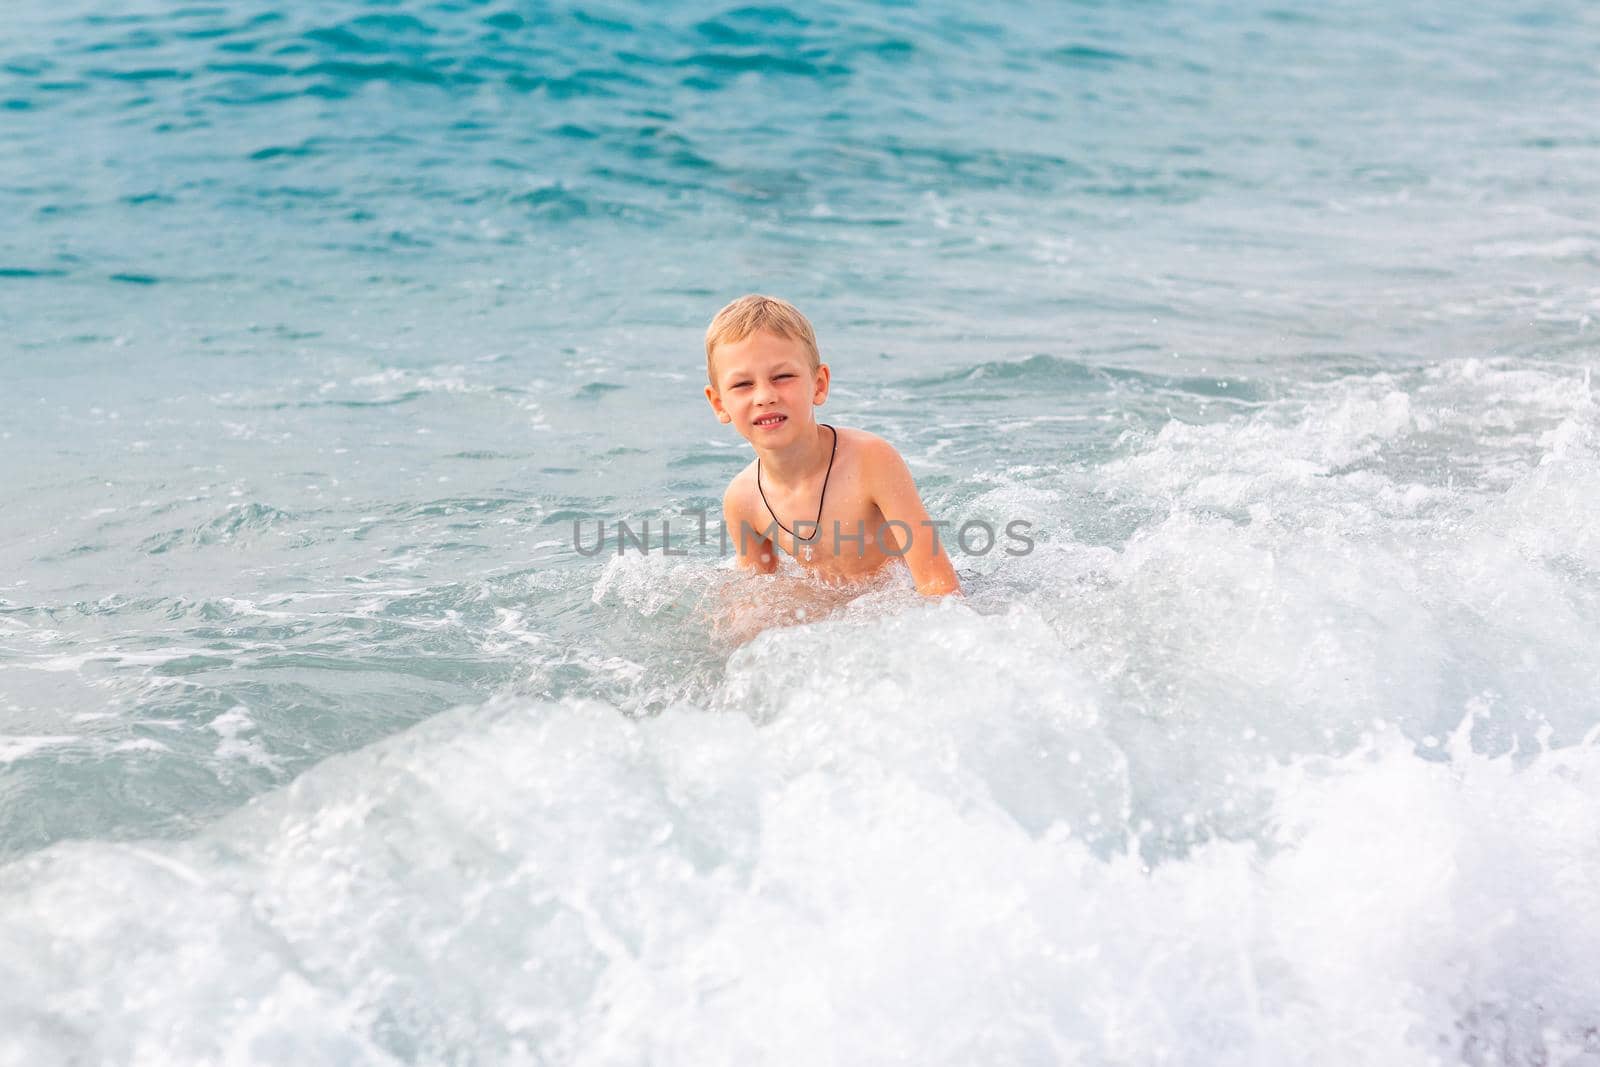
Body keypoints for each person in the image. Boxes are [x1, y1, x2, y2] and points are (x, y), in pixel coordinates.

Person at [704, 294, 962, 597]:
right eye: (743, 385)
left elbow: (939, 586)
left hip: (902, 601)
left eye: (783, 376)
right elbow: (757, 599)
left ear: (819, 384)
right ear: (719, 404)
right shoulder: (743, 499)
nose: (764, 396)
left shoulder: (870, 461)